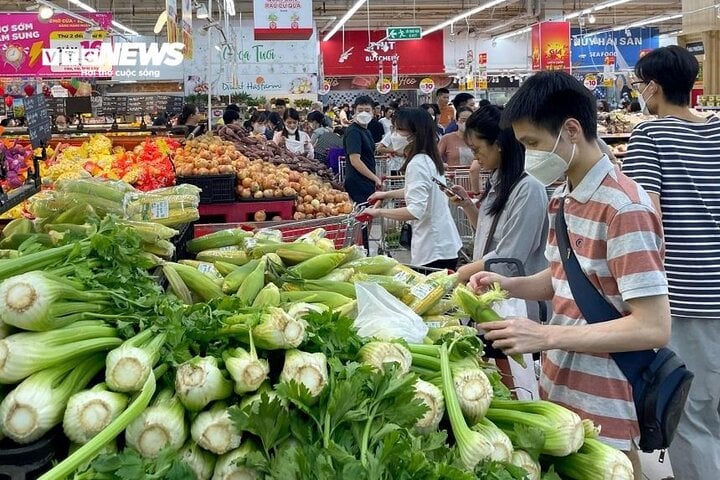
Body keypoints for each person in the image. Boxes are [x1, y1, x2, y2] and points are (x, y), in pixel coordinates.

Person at [469, 71, 670, 479]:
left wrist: (546, 336)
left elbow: (653, 327)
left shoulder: (624, 209)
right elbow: (562, 279)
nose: (526, 157)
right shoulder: (564, 197)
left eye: (532, 144)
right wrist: (508, 284)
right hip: (562, 383)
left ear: (571, 130)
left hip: (609, 398)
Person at [622, 45, 720, 480]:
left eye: (641, 85)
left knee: (693, 417)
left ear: (654, 87)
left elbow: (649, 219)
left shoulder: (650, 135)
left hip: (689, 294)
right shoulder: (718, 129)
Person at [452, 104, 549, 305]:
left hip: (517, 302)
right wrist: (468, 205)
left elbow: (509, 257)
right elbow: (487, 233)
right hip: (491, 293)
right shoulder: (497, 181)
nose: (475, 157)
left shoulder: (529, 188)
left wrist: (460, 274)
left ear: (498, 144)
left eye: (477, 149)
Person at [363, 108, 462, 269]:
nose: (394, 135)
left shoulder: (417, 164)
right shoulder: (428, 159)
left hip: (433, 248)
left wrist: (378, 212)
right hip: (444, 243)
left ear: (416, 134)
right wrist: (387, 194)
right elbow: (419, 191)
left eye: (400, 130)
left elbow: (415, 210)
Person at [343, 95, 381, 250]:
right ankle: (361, 251)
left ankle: (364, 250)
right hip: (358, 182)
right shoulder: (353, 132)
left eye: (367, 110)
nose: (364, 113)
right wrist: (375, 178)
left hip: (366, 182)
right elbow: (355, 160)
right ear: (354, 112)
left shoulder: (366, 131)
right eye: (360, 110)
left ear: (373, 112)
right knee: (361, 222)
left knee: (367, 219)